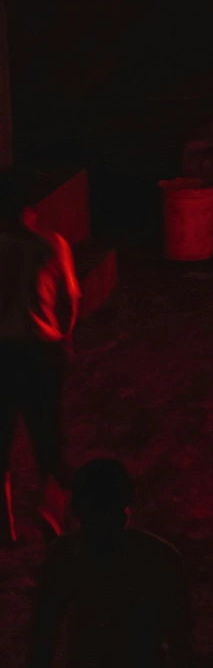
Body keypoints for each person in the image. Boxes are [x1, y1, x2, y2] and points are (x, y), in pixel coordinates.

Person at [29, 459, 193, 668]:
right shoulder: (160, 556)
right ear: (127, 503)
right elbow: (181, 639)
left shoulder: (65, 554)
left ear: (76, 508)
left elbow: (43, 634)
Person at [1, 180, 79, 542]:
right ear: (30, 210)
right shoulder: (52, 244)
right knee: (48, 437)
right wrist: (64, 336)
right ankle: (51, 512)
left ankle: (5, 525)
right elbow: (69, 300)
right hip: (40, 350)